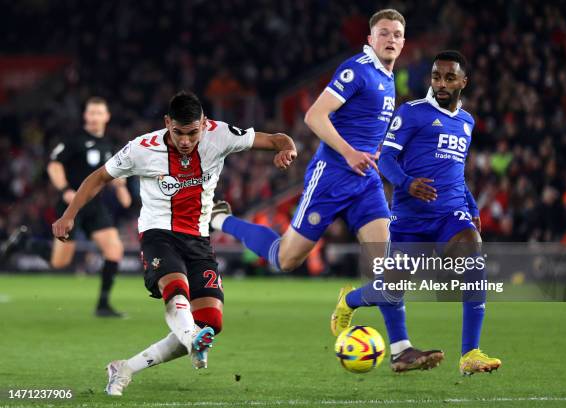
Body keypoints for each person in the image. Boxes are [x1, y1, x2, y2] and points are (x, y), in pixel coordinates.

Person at [209, 9, 442, 372]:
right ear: (370, 39)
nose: (391, 39)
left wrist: (376, 152)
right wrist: (350, 153)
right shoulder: (357, 70)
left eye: (397, 34)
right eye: (384, 33)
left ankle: (401, 349)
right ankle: (222, 220)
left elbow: (366, 127)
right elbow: (315, 116)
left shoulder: (387, 77)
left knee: (389, 267)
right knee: (285, 259)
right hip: (331, 177)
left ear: (404, 41)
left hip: (365, 182)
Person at [52, 91, 297, 396]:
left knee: (212, 322)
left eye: (192, 132)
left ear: (204, 124)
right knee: (176, 289)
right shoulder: (142, 148)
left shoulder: (219, 135)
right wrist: (69, 214)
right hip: (158, 233)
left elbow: (276, 139)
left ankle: (125, 367)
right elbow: (98, 177)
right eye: (178, 132)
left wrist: (287, 148)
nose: (185, 141)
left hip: (198, 238)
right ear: (167, 122)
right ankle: (191, 335)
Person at [362, 50, 501, 375]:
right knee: (391, 288)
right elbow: (385, 161)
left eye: (449, 77)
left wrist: (471, 205)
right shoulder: (411, 113)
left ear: (463, 82)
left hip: (449, 213)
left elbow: (456, 169)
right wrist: (407, 184)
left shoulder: (467, 122)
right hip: (410, 219)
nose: (441, 83)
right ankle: (350, 301)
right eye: (437, 76)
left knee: (472, 258)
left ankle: (470, 353)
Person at [0, 97, 132, 317]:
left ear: (106, 117)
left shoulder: (108, 146)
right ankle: (24, 242)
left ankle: (103, 305)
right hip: (71, 205)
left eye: (99, 113)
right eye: (91, 113)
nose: (95, 117)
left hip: (95, 206)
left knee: (114, 250)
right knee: (60, 262)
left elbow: (112, 180)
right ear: (85, 116)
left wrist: (121, 188)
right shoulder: (74, 140)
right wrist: (64, 190)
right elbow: (54, 165)